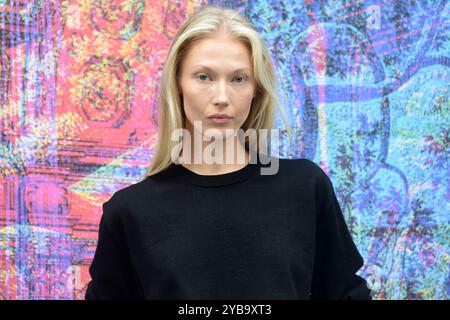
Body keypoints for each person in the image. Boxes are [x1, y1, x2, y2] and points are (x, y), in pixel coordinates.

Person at [85, 5, 372, 300]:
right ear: (178, 84)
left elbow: (345, 293)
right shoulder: (130, 211)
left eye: (238, 79)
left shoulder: (304, 187)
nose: (222, 98)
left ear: (256, 89)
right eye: (203, 77)